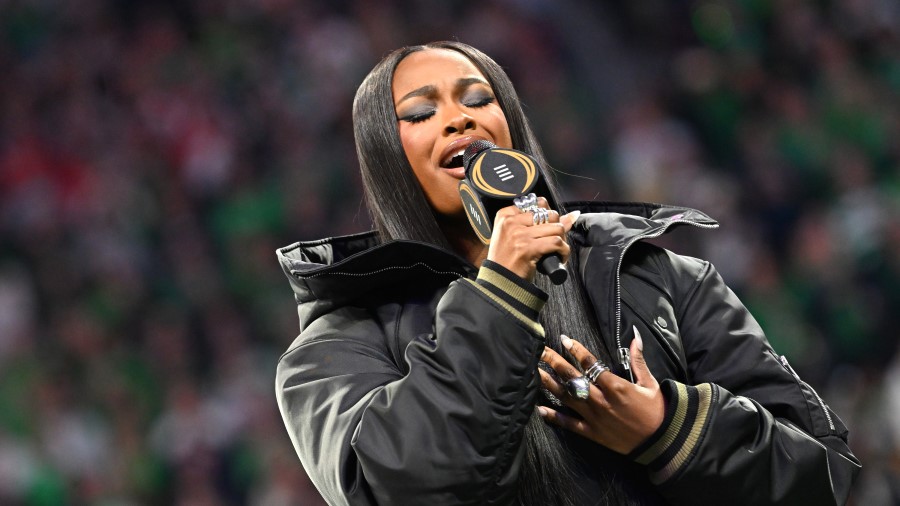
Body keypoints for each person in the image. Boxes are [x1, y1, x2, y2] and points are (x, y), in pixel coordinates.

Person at [275, 41, 860, 506]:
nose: (458, 119)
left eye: (478, 99)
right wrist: (500, 291)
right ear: (383, 155)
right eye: (421, 112)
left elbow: (824, 474)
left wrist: (668, 430)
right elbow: (409, 488)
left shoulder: (660, 277)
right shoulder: (332, 349)